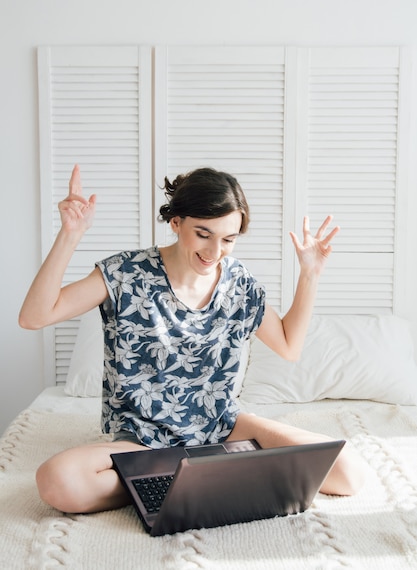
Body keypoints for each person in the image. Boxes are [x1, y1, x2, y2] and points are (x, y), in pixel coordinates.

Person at [19, 165, 366, 514]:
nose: (215, 251)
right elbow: (34, 316)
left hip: (222, 429)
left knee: (347, 472)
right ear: (176, 222)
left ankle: (182, 479)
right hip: (143, 440)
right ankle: (199, 476)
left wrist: (310, 273)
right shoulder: (126, 273)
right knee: (59, 480)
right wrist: (71, 233)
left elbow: (289, 347)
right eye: (203, 233)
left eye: (228, 239)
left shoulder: (239, 284)